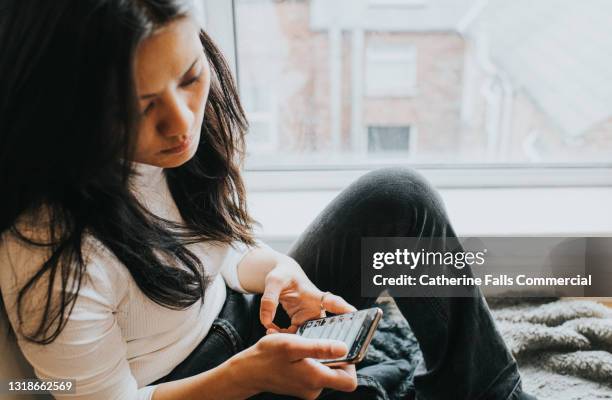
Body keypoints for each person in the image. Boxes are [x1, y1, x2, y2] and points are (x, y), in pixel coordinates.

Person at [0, 1, 536, 399]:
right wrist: (246, 374)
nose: (182, 124)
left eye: (190, 77)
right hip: (184, 387)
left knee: (397, 200)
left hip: (244, 324)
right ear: (67, 108)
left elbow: (221, 255)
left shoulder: (178, 144)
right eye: (137, 109)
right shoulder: (49, 261)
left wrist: (277, 270)